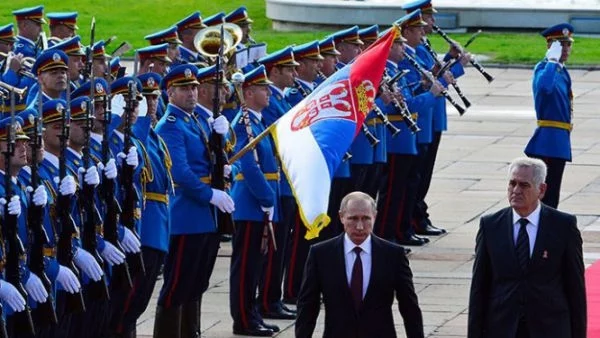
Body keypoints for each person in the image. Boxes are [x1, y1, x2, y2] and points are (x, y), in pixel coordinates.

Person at [154, 64, 233, 337]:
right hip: (187, 215)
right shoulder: (170, 125)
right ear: (170, 92)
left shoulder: (196, 120)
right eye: (184, 88)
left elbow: (208, 159)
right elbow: (180, 172)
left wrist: (221, 152)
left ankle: (191, 332)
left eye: (194, 87)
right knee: (177, 284)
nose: (192, 93)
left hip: (206, 216)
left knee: (197, 282)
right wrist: (210, 194)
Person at [468, 157, 586, 338]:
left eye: (524, 185)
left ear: (542, 190)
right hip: (502, 327)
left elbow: (575, 289)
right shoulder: (490, 225)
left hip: (550, 327)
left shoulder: (563, 226)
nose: (516, 190)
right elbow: (479, 287)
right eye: (512, 183)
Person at [295, 191, 424, 338]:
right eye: (353, 219)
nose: (360, 226)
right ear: (341, 217)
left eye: (366, 219)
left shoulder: (393, 255)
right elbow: (308, 306)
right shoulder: (321, 254)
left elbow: (409, 307)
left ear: (374, 216)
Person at [524, 23, 575, 209]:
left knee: (553, 195)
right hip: (547, 142)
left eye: (568, 44)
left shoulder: (561, 70)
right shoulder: (544, 68)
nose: (566, 49)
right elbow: (544, 89)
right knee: (545, 196)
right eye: (561, 45)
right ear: (551, 46)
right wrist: (552, 62)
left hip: (559, 141)